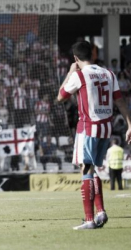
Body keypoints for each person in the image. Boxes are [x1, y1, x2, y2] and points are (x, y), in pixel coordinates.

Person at [57, 41, 131, 230]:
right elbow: (120, 101)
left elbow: (61, 96)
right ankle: (101, 212)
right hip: (106, 128)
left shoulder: (79, 75)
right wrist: (130, 125)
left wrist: (70, 72)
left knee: (85, 170)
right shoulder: (109, 73)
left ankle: (89, 219)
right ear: (93, 54)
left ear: (76, 58)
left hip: (88, 128)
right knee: (91, 169)